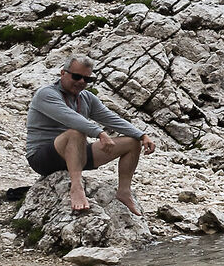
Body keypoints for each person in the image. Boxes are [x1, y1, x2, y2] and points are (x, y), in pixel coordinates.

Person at [25, 54, 152, 214]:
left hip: (76, 154)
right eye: (77, 77)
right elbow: (71, 118)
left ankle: (124, 192)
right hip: (43, 156)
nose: (81, 82)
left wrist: (142, 135)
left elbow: (111, 119)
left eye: (87, 79)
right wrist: (100, 133)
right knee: (76, 132)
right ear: (63, 73)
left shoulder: (87, 98)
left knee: (132, 142)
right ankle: (76, 188)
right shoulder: (46, 94)